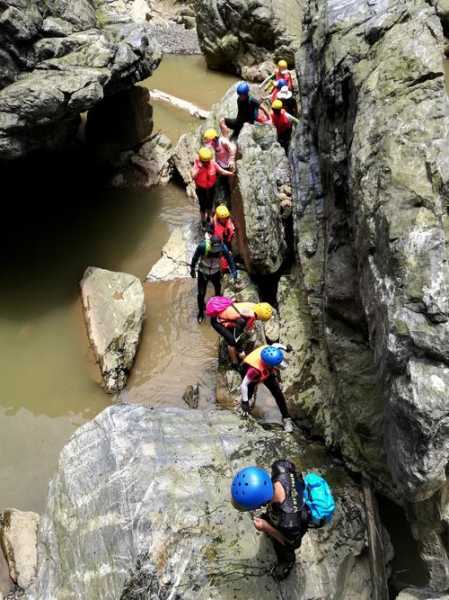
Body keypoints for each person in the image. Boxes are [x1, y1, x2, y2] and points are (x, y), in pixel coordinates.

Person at [230, 461, 309, 581]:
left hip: (296, 520)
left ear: (262, 504)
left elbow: (292, 543)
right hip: (291, 498)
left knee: (284, 547)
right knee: (271, 518)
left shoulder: (289, 522)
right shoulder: (280, 467)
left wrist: (266, 527)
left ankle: (287, 562)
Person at [240, 344, 293, 432]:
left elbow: (276, 345)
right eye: (276, 365)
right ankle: (245, 410)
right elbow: (244, 385)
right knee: (249, 391)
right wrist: (245, 402)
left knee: (278, 394)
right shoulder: (254, 370)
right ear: (269, 364)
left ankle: (286, 419)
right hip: (253, 372)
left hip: (266, 371)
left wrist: (286, 348)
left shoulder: (271, 350)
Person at [191, 235, 237, 323]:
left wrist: (234, 273)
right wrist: (192, 269)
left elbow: (230, 260)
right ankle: (201, 313)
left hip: (215, 272)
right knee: (201, 294)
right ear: (210, 246)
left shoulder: (223, 248)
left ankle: (217, 311)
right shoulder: (202, 246)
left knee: (218, 292)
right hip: (203, 272)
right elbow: (195, 258)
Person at [210, 300, 273, 366]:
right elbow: (236, 338)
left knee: (237, 335)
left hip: (226, 312)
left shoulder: (254, 306)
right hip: (217, 320)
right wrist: (241, 352)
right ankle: (235, 363)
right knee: (232, 342)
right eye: (260, 319)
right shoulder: (242, 320)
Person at [192, 147, 233, 227]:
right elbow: (193, 176)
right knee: (203, 205)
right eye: (205, 162)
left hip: (211, 188)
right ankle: (203, 220)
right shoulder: (197, 165)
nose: (207, 163)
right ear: (201, 160)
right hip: (201, 189)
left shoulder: (213, 163)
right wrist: (199, 169)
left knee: (210, 204)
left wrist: (230, 173)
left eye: (208, 161)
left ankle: (210, 218)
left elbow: (221, 171)